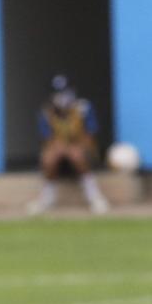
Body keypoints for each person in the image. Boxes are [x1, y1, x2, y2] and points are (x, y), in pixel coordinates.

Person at [28, 74, 109, 215]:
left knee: (75, 154)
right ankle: (47, 198)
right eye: (57, 93)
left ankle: (94, 197)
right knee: (50, 156)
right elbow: (47, 140)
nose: (61, 97)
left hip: (82, 154)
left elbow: (90, 137)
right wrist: (61, 147)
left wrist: (72, 146)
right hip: (59, 154)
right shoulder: (47, 112)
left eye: (65, 92)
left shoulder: (83, 108)